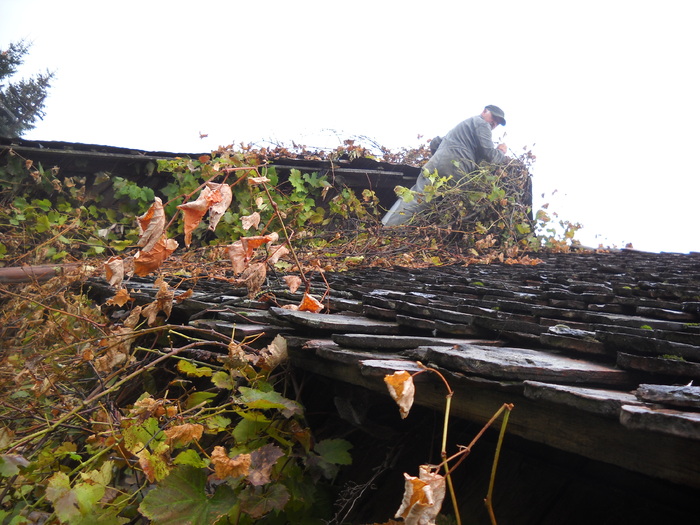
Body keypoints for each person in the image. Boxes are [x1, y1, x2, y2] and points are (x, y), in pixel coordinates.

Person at [382, 105, 508, 226]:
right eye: (494, 118)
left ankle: (389, 227)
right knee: (449, 207)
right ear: (484, 111)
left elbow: (435, 142)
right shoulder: (482, 123)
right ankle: (398, 231)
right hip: (456, 170)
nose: (494, 123)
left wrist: (440, 159)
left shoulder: (462, 127)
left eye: (498, 123)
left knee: (417, 198)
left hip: (435, 164)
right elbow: (490, 154)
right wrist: (501, 152)